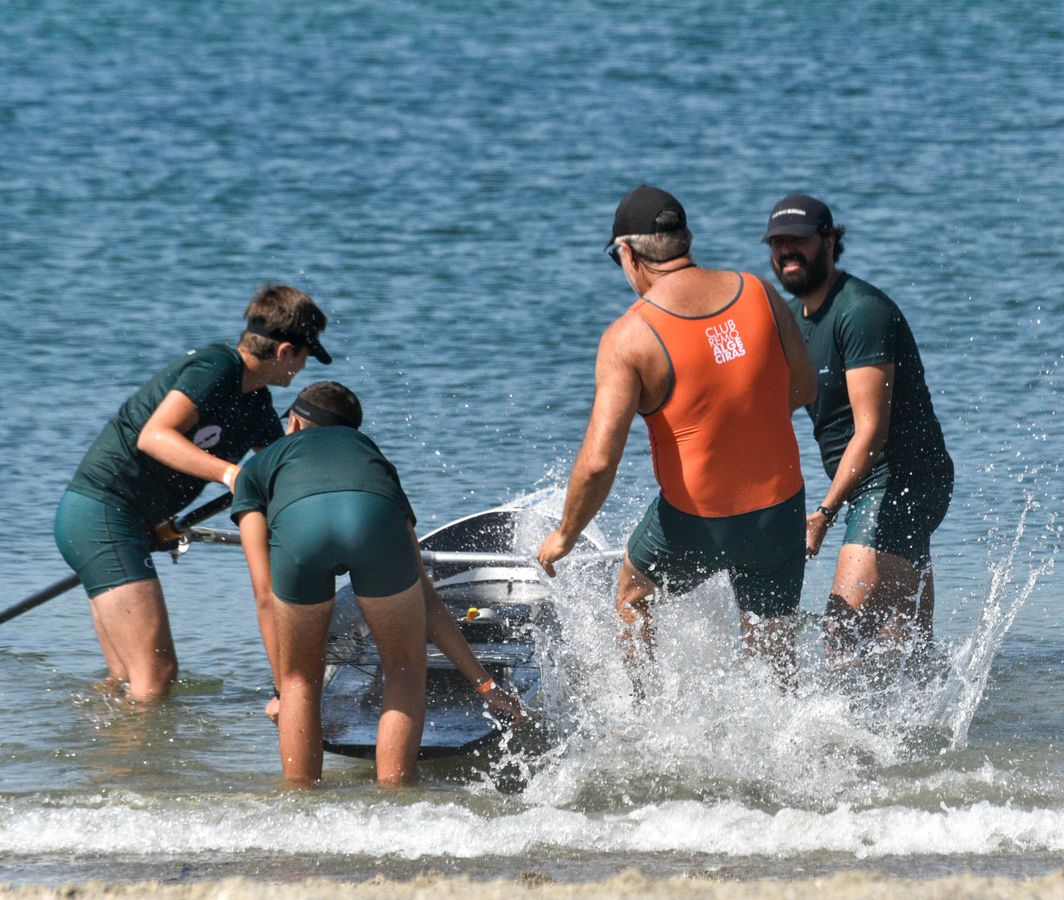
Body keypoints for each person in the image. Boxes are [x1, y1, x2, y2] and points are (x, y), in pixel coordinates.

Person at [536, 185, 815, 688]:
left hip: (696, 521)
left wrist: (565, 535)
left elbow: (600, 462)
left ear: (628, 253)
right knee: (774, 651)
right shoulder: (759, 290)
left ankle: (644, 723)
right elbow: (803, 386)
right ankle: (789, 741)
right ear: (684, 240)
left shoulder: (630, 336)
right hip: (782, 508)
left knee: (632, 595)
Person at [231, 381, 522, 787]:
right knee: (403, 665)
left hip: (300, 529)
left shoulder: (256, 469)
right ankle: (396, 798)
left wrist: (281, 691)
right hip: (372, 516)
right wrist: (486, 686)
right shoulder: (370, 454)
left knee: (301, 678)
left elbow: (264, 595)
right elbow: (426, 596)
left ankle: (298, 801)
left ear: (294, 423)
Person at [54, 284, 331, 701]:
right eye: (306, 356)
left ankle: (98, 760)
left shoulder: (256, 405)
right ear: (285, 351)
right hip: (101, 516)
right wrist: (231, 474)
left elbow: (282, 475)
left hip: (123, 525)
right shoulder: (216, 367)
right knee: (157, 678)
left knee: (124, 683)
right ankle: (143, 769)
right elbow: (154, 436)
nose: (303, 369)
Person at [762, 194, 955, 661]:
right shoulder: (792, 321)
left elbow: (870, 432)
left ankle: (840, 735)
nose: (788, 252)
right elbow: (772, 411)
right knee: (903, 647)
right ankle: (939, 725)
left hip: (901, 479)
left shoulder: (861, 312)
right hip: (870, 483)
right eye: (778, 243)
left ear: (829, 241)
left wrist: (823, 515)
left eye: (800, 241)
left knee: (842, 636)